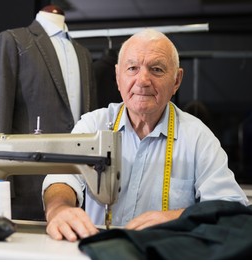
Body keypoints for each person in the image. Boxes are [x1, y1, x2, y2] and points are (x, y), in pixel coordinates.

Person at [42, 28, 249, 242]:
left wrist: (179, 217)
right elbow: (62, 177)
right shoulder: (94, 125)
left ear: (176, 80)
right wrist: (59, 208)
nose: (142, 80)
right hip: (101, 252)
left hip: (164, 255)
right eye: (132, 68)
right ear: (117, 77)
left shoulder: (197, 137)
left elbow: (232, 207)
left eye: (157, 69)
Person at [0, 5, 97, 221]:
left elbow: (89, 119)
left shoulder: (83, 54)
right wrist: (2, 184)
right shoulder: (13, 40)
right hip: (27, 181)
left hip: (78, 185)